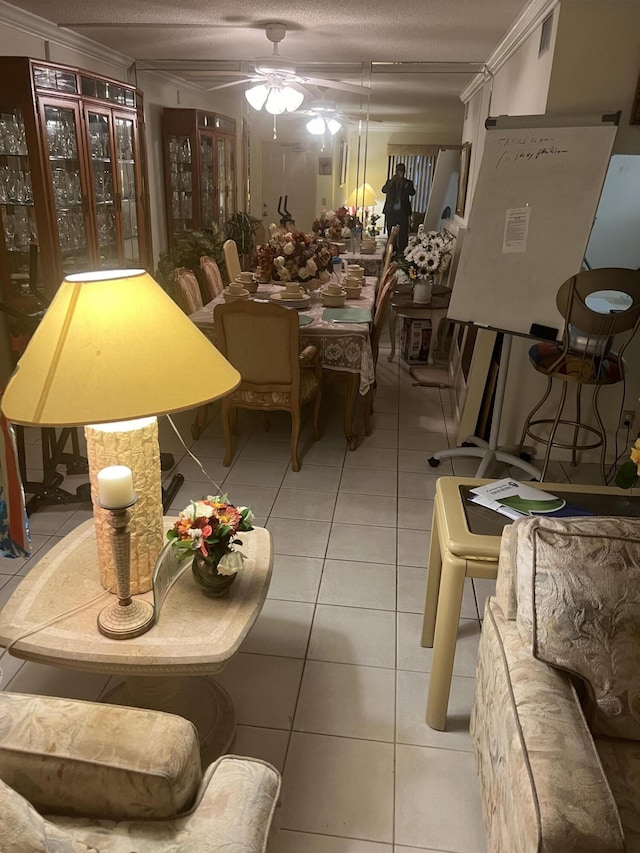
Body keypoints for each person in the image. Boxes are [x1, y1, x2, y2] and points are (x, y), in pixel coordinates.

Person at [382, 163, 415, 253]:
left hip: (403, 212)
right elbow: (383, 190)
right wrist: (392, 182)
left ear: (404, 172)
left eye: (402, 171)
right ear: (396, 171)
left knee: (403, 235)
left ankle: (402, 254)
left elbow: (412, 192)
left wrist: (405, 185)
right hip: (391, 212)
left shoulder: (408, 183)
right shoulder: (390, 182)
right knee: (391, 234)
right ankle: (391, 253)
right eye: (399, 171)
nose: (400, 173)